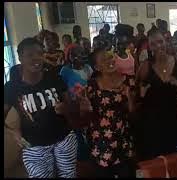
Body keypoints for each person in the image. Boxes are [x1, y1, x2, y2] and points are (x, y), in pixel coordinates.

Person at [4, 37, 77, 178]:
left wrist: (66, 107)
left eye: (39, 53)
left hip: (64, 139)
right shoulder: (12, 88)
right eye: (30, 55)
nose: (36, 58)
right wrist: (13, 132)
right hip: (34, 146)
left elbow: (71, 106)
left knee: (68, 175)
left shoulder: (55, 78)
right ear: (20, 58)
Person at [135, 30, 177, 160]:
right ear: (149, 47)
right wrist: (142, 92)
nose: (158, 46)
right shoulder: (146, 66)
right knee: (156, 158)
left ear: (166, 42)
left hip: (174, 117)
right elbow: (137, 91)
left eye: (160, 42)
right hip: (152, 120)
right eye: (153, 44)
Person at [80, 48, 137, 177]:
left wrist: (129, 97)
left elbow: (133, 113)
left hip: (123, 138)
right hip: (101, 142)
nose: (110, 61)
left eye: (110, 57)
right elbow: (85, 117)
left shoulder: (128, 81)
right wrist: (84, 107)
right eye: (104, 60)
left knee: (127, 173)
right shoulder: (92, 86)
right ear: (97, 67)